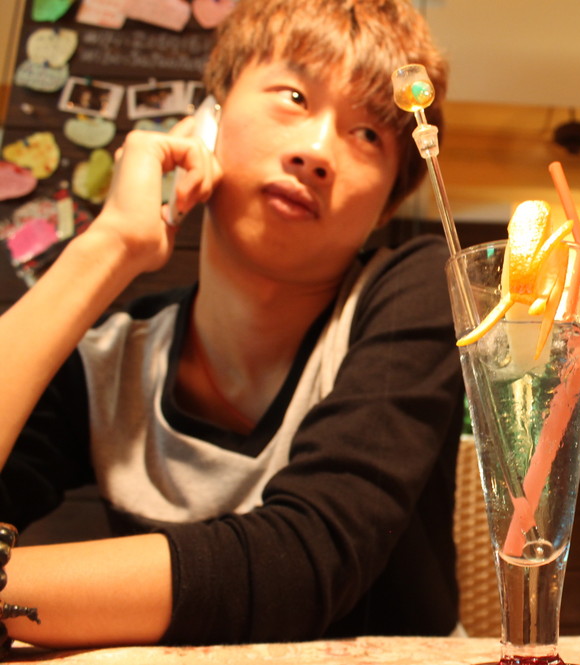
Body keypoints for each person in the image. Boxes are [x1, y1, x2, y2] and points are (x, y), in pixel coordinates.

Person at [0, 0, 462, 649]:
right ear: (207, 120)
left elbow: (300, 563)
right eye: (294, 96)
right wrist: (109, 246)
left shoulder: (414, 290)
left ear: (387, 202)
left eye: (368, 134)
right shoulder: (114, 359)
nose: (316, 152)